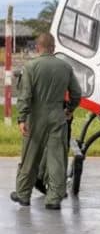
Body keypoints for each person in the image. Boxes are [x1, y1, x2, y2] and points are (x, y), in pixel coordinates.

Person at [11, 33, 81, 210]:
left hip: (35, 118)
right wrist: (69, 110)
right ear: (54, 48)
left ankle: (23, 194)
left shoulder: (30, 67)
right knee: (57, 158)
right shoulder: (65, 67)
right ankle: (54, 198)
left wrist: (22, 118)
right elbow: (76, 93)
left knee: (30, 156)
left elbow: (25, 95)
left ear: (37, 48)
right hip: (58, 116)